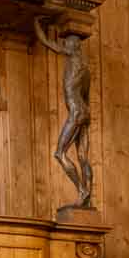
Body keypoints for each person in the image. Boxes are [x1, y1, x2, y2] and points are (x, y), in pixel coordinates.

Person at [35, 18, 94, 208]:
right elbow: (86, 96)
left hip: (76, 112)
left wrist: (36, 22)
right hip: (84, 112)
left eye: (67, 42)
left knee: (59, 153)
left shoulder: (72, 57)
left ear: (73, 46)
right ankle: (87, 199)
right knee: (83, 156)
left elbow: (45, 41)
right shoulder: (85, 69)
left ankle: (82, 191)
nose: (64, 44)